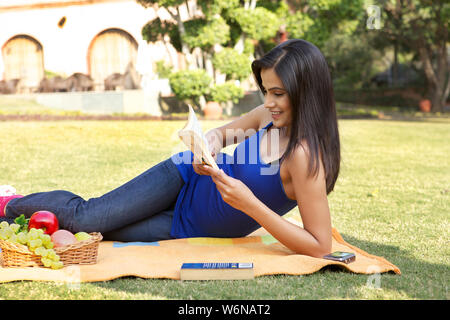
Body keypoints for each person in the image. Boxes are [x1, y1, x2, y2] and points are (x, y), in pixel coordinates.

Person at [1, 39, 340, 258]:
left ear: (306, 91)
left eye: (278, 93)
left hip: (187, 227)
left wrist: (250, 204)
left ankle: (24, 210)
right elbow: (222, 134)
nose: (269, 102)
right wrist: (207, 143)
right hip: (182, 177)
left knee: (91, 232)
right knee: (86, 215)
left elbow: (319, 244)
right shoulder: (266, 115)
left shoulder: (304, 157)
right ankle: (8, 204)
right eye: (266, 91)